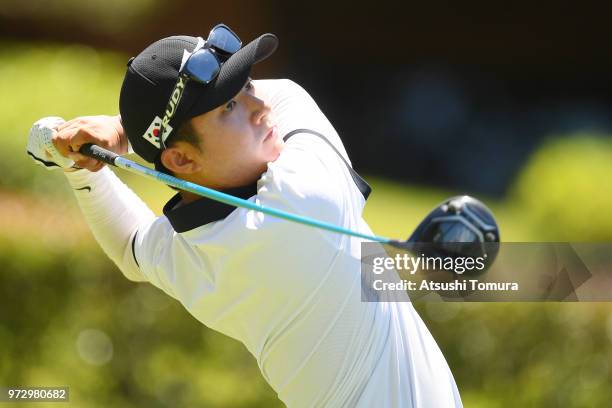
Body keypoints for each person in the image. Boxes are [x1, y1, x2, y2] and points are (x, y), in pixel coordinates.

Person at [27, 24, 463, 407]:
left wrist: (81, 172)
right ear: (181, 160)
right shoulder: (305, 200)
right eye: (230, 108)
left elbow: (131, 248)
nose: (261, 108)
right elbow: (290, 92)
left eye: (247, 86)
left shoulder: (194, 254)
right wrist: (122, 129)